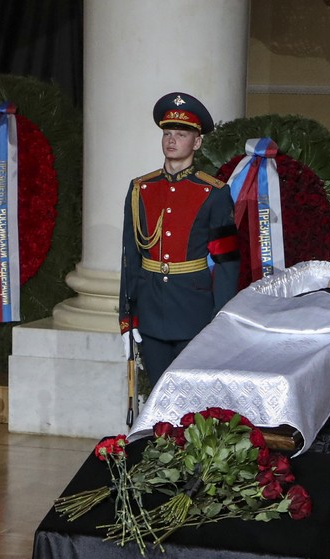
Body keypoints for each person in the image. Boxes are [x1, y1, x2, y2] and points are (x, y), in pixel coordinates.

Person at [119, 91, 240, 383]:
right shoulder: (141, 189)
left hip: (194, 311)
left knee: (192, 398)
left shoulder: (214, 192)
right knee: (158, 397)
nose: (171, 140)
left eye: (181, 134)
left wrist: (218, 321)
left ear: (197, 142)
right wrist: (126, 317)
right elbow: (129, 257)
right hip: (149, 308)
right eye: (167, 133)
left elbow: (227, 263)